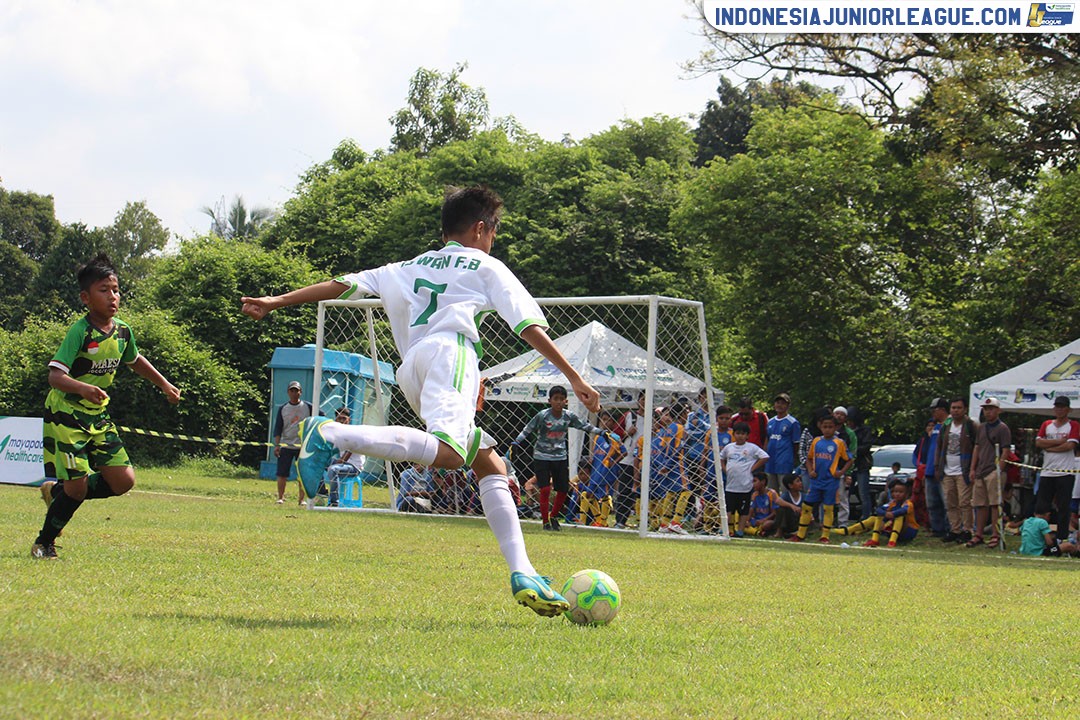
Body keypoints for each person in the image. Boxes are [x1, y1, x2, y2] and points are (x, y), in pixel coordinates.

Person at [241, 185, 601, 618]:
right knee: (450, 454)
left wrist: (277, 300)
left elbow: (342, 285)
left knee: (488, 462)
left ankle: (523, 570)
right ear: (481, 228)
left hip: (412, 366)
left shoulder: (405, 267)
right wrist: (574, 376)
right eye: (494, 232)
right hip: (452, 354)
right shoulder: (486, 266)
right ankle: (331, 432)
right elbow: (527, 325)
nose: (493, 241)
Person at [32, 253, 181, 560]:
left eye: (115, 289)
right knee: (78, 489)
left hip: (96, 415)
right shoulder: (80, 331)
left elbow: (134, 359)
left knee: (123, 481)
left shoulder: (123, 331)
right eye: (104, 290)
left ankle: (58, 494)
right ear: (86, 298)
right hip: (66, 414)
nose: (113, 296)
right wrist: (83, 387)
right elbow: (55, 376)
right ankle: (44, 543)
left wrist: (163, 383)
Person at [512, 385, 607, 531]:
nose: (558, 402)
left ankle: (554, 516)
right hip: (541, 457)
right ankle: (545, 522)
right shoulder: (542, 416)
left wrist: (601, 433)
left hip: (560, 457)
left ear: (566, 401)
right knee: (544, 489)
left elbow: (584, 426)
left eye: (561, 399)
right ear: (549, 400)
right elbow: (528, 429)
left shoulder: (568, 416)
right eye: (555, 399)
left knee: (562, 489)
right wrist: (516, 442)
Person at [791, 414, 851, 543]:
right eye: (825, 427)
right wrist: (810, 470)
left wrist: (841, 472)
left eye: (830, 427)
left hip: (831, 481)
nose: (827, 429)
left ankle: (825, 536)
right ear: (820, 427)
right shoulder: (816, 441)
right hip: (816, 481)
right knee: (807, 506)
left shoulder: (839, 443)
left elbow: (849, 460)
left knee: (828, 508)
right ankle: (800, 534)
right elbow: (809, 458)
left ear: (835, 427)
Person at [966, 397, 1011, 549]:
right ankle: (978, 534)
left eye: (991, 408)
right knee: (980, 504)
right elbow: (977, 448)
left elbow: (1006, 450)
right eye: (986, 409)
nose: (988, 411)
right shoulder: (981, 427)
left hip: (994, 469)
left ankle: (995, 534)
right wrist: (973, 468)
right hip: (981, 470)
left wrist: (1000, 468)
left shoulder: (1003, 428)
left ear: (998, 410)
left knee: (994, 504)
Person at [1034, 396, 1080, 541]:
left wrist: (1050, 446)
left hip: (1065, 472)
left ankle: (1061, 537)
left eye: (1062, 407)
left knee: (1063, 507)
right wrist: (1059, 441)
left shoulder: (1074, 425)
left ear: (1068, 409)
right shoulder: (1047, 424)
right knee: (1042, 506)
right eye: (1057, 407)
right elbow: (1039, 443)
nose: (1059, 410)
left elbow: (1070, 445)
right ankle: (1040, 535)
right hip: (1047, 471)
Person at [934, 397, 978, 543]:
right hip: (947, 469)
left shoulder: (971, 425)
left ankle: (967, 530)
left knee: (965, 502)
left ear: (965, 409)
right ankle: (955, 529)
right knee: (950, 502)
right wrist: (937, 466)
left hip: (963, 469)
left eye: (958, 408)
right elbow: (939, 447)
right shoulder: (946, 426)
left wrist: (973, 468)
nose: (955, 410)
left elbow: (977, 447)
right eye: (953, 408)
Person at [834, 477, 919, 548]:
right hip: (892, 527)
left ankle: (892, 541)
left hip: (907, 531)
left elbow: (903, 510)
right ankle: (852, 531)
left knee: (899, 516)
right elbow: (879, 509)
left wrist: (892, 514)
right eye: (895, 492)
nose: (897, 494)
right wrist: (885, 514)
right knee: (875, 518)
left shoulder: (908, 503)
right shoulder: (892, 503)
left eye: (900, 492)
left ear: (907, 493)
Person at [720, 420, 770, 537]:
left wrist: (753, 468)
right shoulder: (729, 447)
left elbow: (765, 457)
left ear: (747, 435)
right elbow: (721, 458)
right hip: (730, 485)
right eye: (738, 433)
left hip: (745, 486)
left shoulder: (752, 448)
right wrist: (724, 469)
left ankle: (740, 531)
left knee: (743, 511)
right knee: (728, 509)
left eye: (743, 434)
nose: (740, 436)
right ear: (734, 434)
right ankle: (725, 529)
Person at [579, 410, 625, 527]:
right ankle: (593, 519)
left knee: (605, 495)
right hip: (596, 470)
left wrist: (613, 462)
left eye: (609, 420)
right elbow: (595, 453)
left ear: (614, 423)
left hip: (607, 471)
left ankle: (602, 522)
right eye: (604, 420)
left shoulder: (615, 437)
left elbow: (624, 452)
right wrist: (591, 460)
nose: (606, 422)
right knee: (588, 494)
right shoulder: (598, 437)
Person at [273, 380, 314, 505]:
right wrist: (277, 445)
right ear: (288, 392)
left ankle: (301, 500)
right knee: (282, 473)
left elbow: (319, 419)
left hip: (303, 446)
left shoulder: (309, 407)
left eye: (296, 390)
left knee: (302, 474)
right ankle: (281, 497)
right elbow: (278, 428)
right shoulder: (283, 408)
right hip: (286, 444)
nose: (294, 393)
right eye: (292, 390)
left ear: (300, 392)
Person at [914, 398, 950, 537]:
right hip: (929, 470)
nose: (932, 413)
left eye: (934, 410)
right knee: (932, 503)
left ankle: (949, 529)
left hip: (943, 470)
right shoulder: (935, 427)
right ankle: (937, 529)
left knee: (946, 502)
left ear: (941, 410)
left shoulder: (949, 424)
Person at [612, 391, 647, 529]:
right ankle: (620, 520)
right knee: (625, 490)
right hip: (627, 459)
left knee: (643, 491)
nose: (644, 402)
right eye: (642, 399)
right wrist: (627, 433)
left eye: (647, 399)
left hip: (645, 460)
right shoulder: (629, 416)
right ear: (638, 401)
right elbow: (614, 435)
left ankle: (644, 520)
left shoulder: (654, 418)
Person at [698, 405, 733, 535]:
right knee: (708, 498)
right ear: (717, 418)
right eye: (722, 418)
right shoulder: (711, 432)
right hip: (711, 471)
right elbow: (705, 451)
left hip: (726, 472)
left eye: (727, 418)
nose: (724, 421)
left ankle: (720, 526)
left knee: (723, 499)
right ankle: (707, 527)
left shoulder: (732, 434)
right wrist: (702, 467)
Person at [321, 405, 359, 507]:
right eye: (339, 418)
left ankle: (334, 502)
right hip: (341, 463)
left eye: (344, 418)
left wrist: (342, 460)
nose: (341, 421)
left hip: (354, 466)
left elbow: (351, 449)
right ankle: (321, 490)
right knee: (318, 461)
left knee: (333, 470)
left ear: (349, 419)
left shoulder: (353, 432)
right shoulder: (337, 432)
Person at [764, 393, 801, 493]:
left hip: (784, 462)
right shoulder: (770, 422)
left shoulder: (792, 422)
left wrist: (792, 459)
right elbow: (767, 439)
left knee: (785, 490)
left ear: (788, 405)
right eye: (778, 402)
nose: (779, 405)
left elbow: (796, 443)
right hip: (771, 461)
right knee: (771, 491)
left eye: (783, 403)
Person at [845, 406, 874, 520]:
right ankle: (845, 516)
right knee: (846, 492)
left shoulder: (865, 430)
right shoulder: (846, 431)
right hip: (849, 466)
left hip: (862, 465)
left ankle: (866, 516)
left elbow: (867, 446)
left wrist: (853, 451)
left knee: (863, 493)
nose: (849, 423)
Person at [831, 406, 859, 525]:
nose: (838, 416)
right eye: (836, 414)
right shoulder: (828, 429)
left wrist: (848, 472)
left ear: (845, 418)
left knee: (842, 497)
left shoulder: (849, 434)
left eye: (841, 414)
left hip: (842, 470)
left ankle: (843, 523)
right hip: (827, 470)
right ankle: (826, 521)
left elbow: (852, 454)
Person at [744, 471, 780, 536]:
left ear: (763, 482)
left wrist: (764, 520)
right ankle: (759, 532)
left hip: (767, 520)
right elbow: (751, 511)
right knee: (742, 523)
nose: (752, 484)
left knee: (767, 524)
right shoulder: (754, 495)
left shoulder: (772, 493)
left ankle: (756, 531)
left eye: (754, 481)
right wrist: (747, 521)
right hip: (756, 521)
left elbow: (774, 513)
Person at [775, 474, 804, 539]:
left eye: (800, 481)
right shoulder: (786, 495)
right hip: (789, 522)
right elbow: (778, 501)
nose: (800, 483)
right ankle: (780, 532)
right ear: (790, 485)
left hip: (800, 521)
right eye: (798, 481)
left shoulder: (803, 496)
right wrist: (792, 506)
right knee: (781, 509)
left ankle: (798, 532)